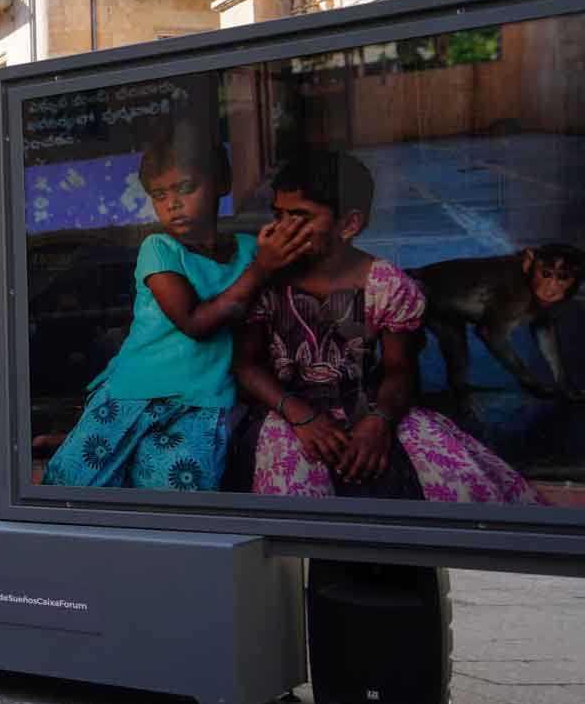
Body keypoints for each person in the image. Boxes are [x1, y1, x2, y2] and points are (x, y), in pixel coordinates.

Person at [228, 151, 540, 503]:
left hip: (368, 405)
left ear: (349, 225)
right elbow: (245, 365)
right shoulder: (266, 279)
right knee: (292, 494)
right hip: (288, 409)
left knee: (461, 487)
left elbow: (401, 372)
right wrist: (298, 415)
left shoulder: (385, 284)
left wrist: (379, 422)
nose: (282, 229)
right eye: (278, 215)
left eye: (299, 216)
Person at [42, 136, 301, 491]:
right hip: (136, 393)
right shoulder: (160, 248)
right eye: (159, 196)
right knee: (74, 484)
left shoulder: (250, 249)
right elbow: (194, 322)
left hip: (204, 401)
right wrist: (259, 270)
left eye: (185, 188)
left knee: (178, 492)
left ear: (221, 184)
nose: (173, 204)